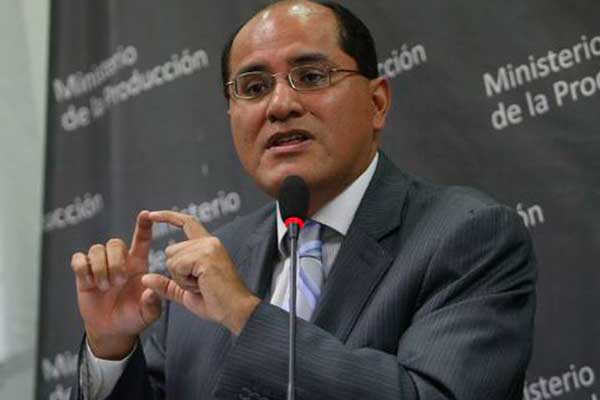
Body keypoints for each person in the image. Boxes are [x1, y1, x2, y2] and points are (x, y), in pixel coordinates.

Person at [71, 1, 537, 399]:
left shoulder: (467, 237)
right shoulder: (207, 268)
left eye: (311, 76)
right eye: (254, 88)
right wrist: (110, 348)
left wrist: (245, 314)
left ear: (377, 103)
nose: (280, 106)